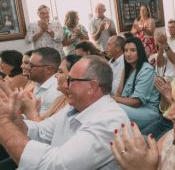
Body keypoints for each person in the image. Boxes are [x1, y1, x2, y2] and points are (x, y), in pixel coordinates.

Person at [0, 55, 130, 170]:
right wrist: (13, 117)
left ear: (92, 87)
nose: (66, 85)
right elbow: (40, 132)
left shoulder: (110, 121)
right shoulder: (75, 107)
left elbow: (55, 166)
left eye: (71, 80)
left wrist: (4, 123)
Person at [112, 37, 159, 130]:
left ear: (140, 52)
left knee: (114, 109)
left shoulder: (146, 70)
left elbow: (136, 102)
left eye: (133, 50)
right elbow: (118, 93)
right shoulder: (127, 69)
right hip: (129, 108)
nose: (128, 54)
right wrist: (111, 100)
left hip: (147, 112)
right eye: (126, 50)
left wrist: (113, 99)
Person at [20, 54, 82, 121]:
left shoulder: (57, 94)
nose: (55, 76)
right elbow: (43, 123)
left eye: (60, 72)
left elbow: (43, 129)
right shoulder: (61, 98)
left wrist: (31, 110)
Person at [28, 47, 63, 114]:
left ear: (48, 70)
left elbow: (41, 123)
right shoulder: (39, 82)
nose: (28, 68)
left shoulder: (55, 92)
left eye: (31, 65)